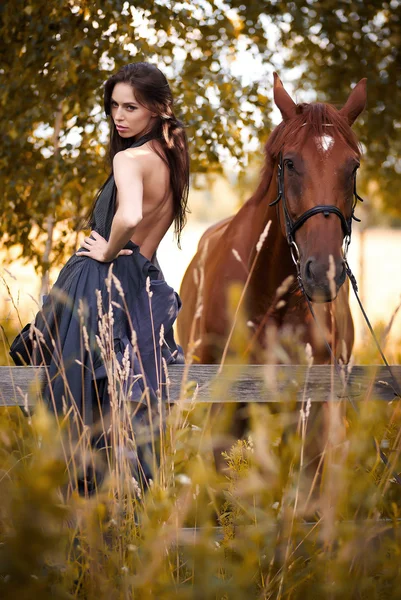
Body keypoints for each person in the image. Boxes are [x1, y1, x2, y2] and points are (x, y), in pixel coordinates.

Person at [10, 62, 189, 488]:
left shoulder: (131, 158)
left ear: (159, 109)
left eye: (131, 107)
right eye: (114, 106)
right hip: (142, 286)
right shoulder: (171, 160)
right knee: (118, 404)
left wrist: (107, 248)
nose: (119, 116)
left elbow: (128, 215)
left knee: (74, 402)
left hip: (98, 282)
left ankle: (78, 513)